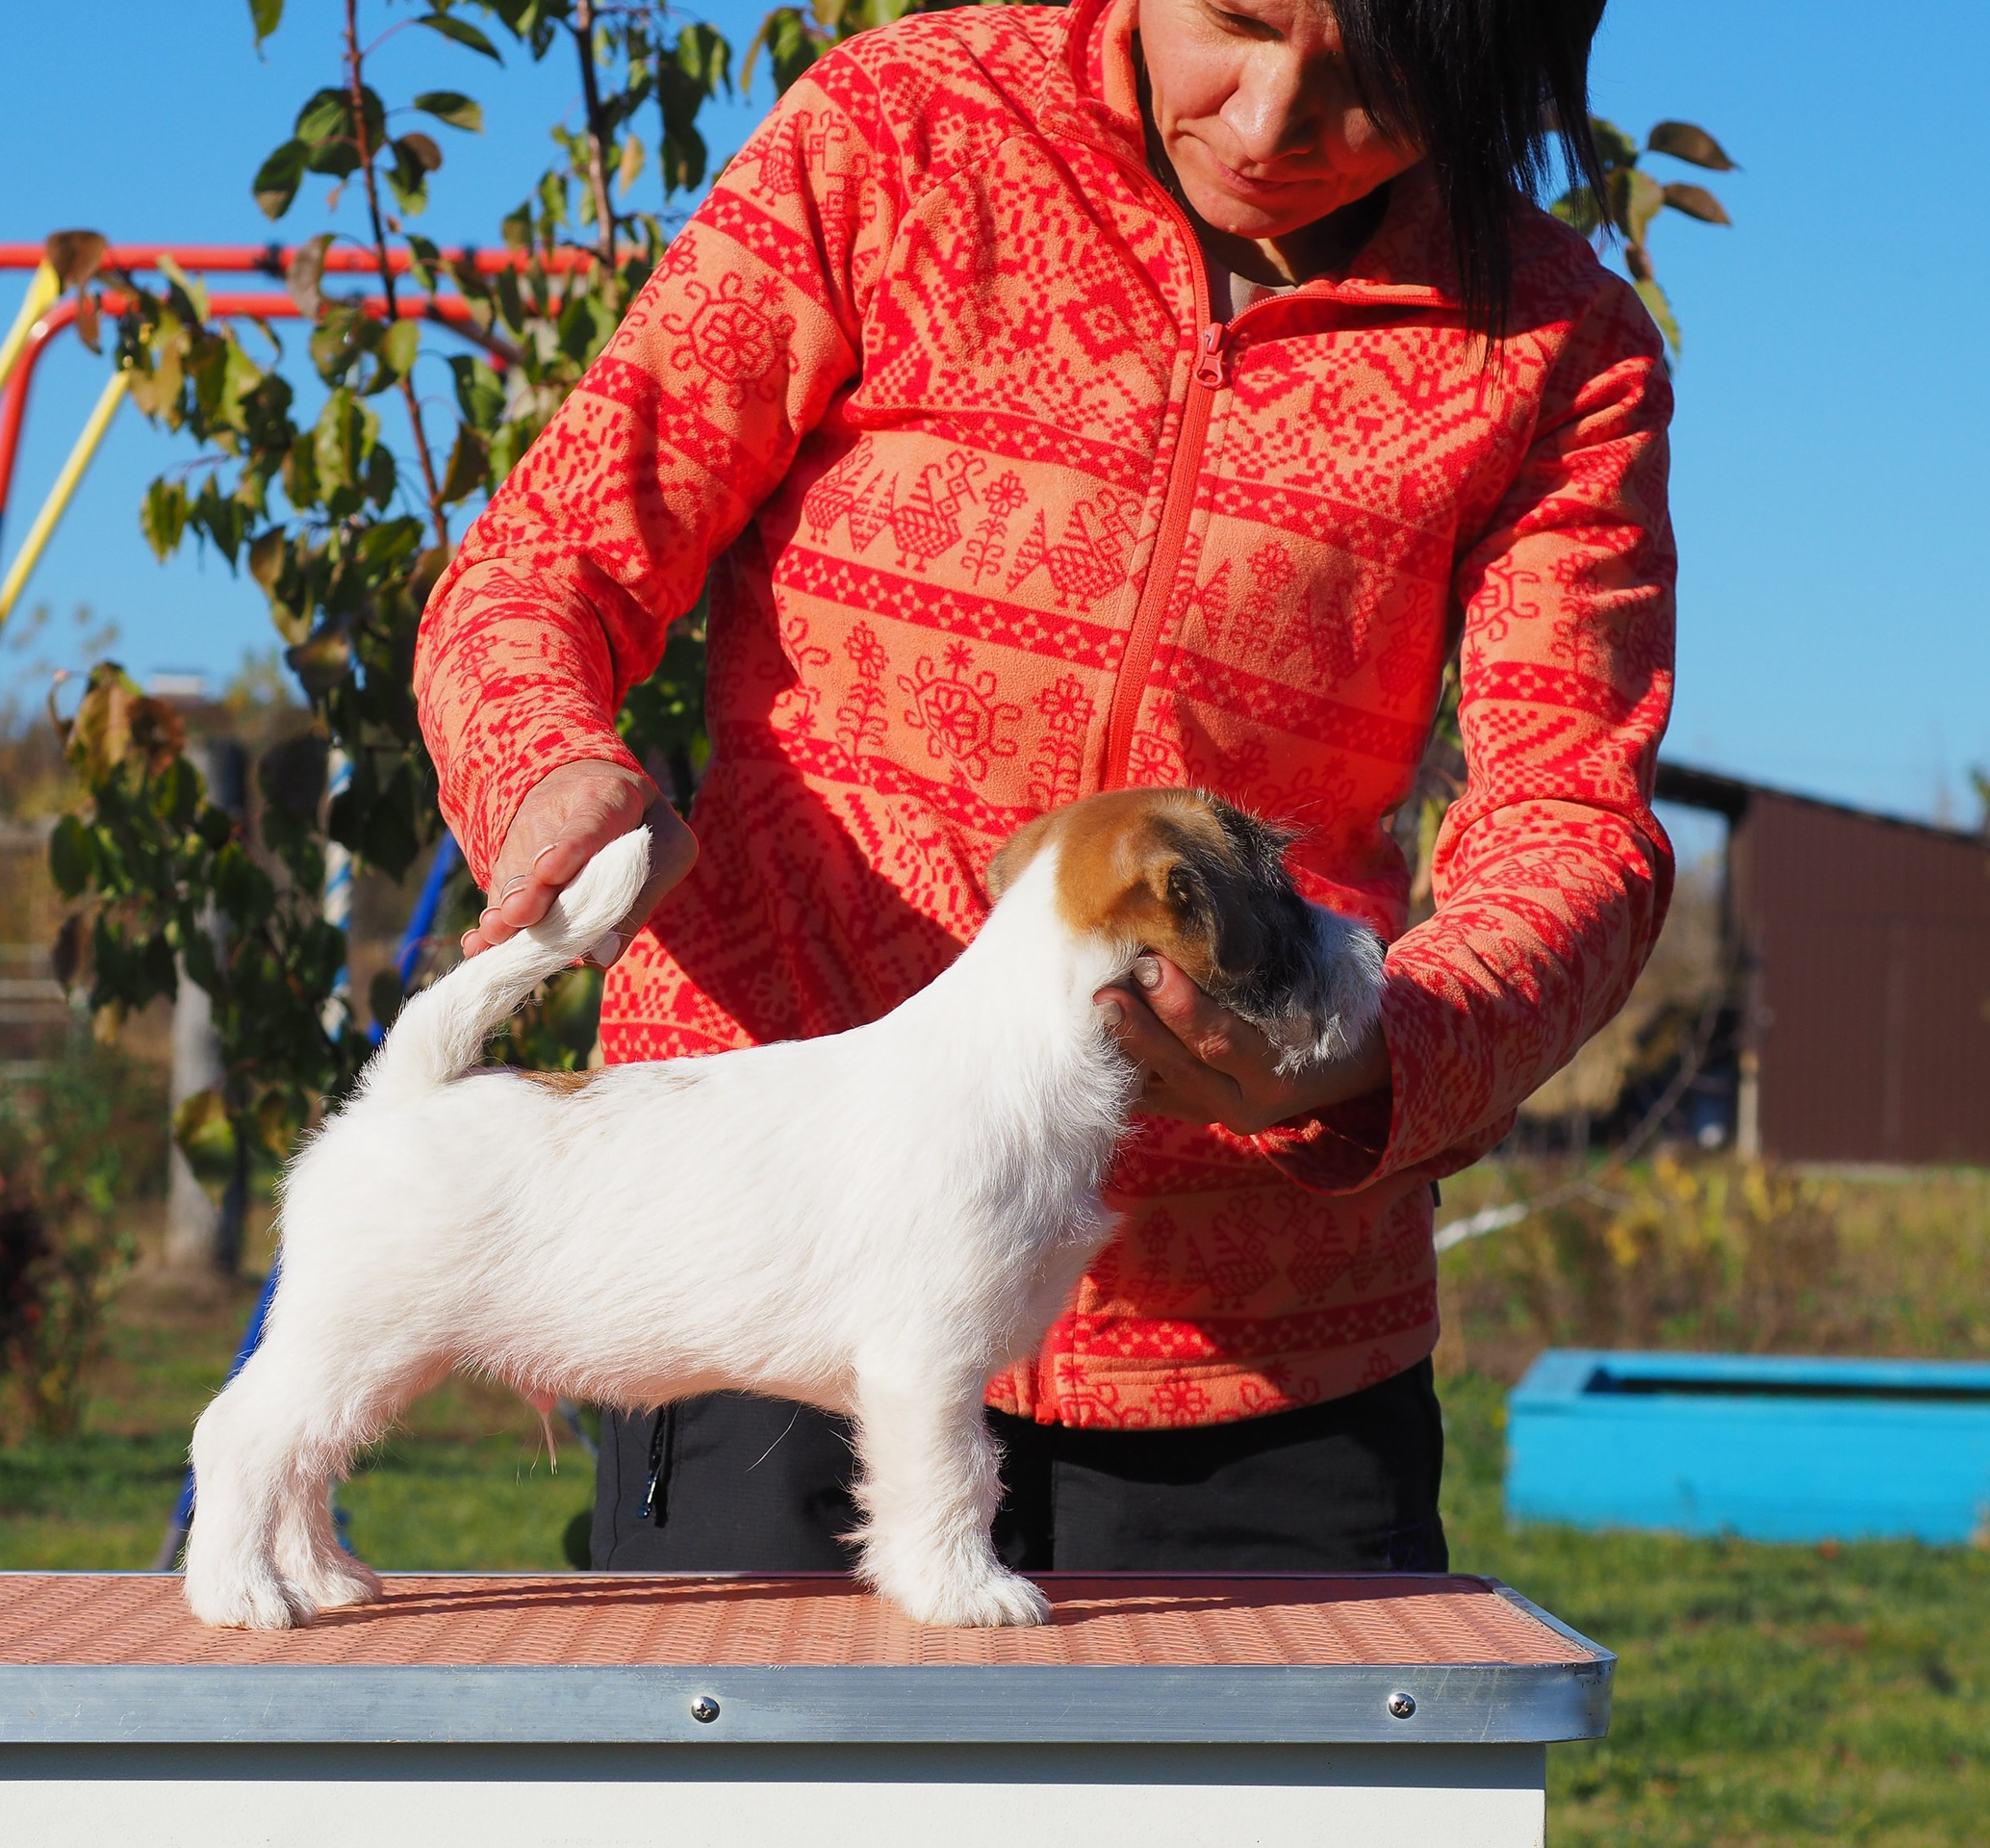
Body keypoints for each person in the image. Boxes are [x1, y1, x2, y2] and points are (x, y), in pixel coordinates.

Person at [415, 0, 1672, 1577]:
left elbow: (1572, 826)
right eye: (1235, 20)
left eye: (1376, 86)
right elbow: (543, 564)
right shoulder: (896, 130)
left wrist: (1367, 1057)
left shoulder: (1559, 343)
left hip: (1264, 1363)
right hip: (766, 1270)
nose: (1273, 118)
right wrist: (542, 760)